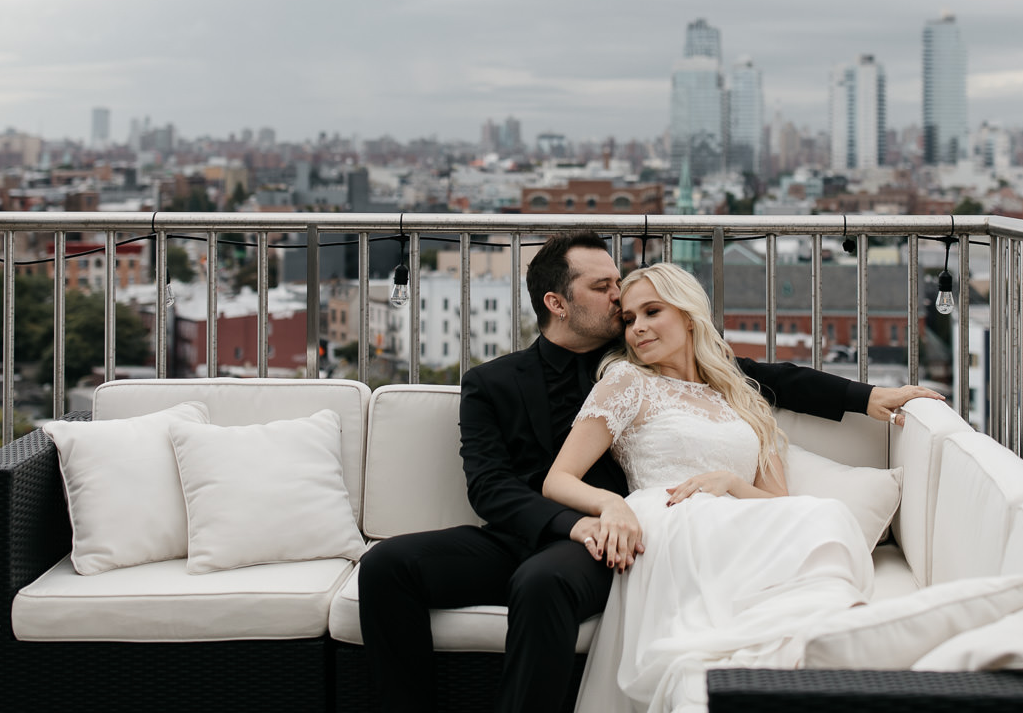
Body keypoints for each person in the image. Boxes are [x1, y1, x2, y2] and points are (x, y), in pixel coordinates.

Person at [358, 231, 940, 713]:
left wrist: (869, 396)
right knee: (386, 566)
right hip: (540, 530)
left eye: (625, 290)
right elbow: (490, 487)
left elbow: (766, 378)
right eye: (605, 288)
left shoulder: (644, 361)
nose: (620, 301)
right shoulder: (491, 383)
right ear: (557, 303)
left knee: (543, 586)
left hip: (625, 540)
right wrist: (576, 520)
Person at [545, 262, 938, 713]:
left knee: (827, 515)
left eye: (652, 311)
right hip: (672, 517)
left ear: (689, 316)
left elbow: (778, 504)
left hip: (738, 517)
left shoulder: (741, 396)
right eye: (630, 320)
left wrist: (730, 482)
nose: (638, 329)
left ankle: (817, 668)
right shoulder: (626, 382)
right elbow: (559, 479)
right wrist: (612, 506)